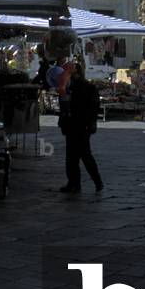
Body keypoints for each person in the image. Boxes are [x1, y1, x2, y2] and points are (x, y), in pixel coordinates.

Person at [59, 61, 103, 194]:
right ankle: (75, 183)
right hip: (75, 125)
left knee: (82, 155)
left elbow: (92, 107)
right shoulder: (72, 86)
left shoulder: (84, 87)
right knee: (74, 156)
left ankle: (94, 182)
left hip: (80, 125)